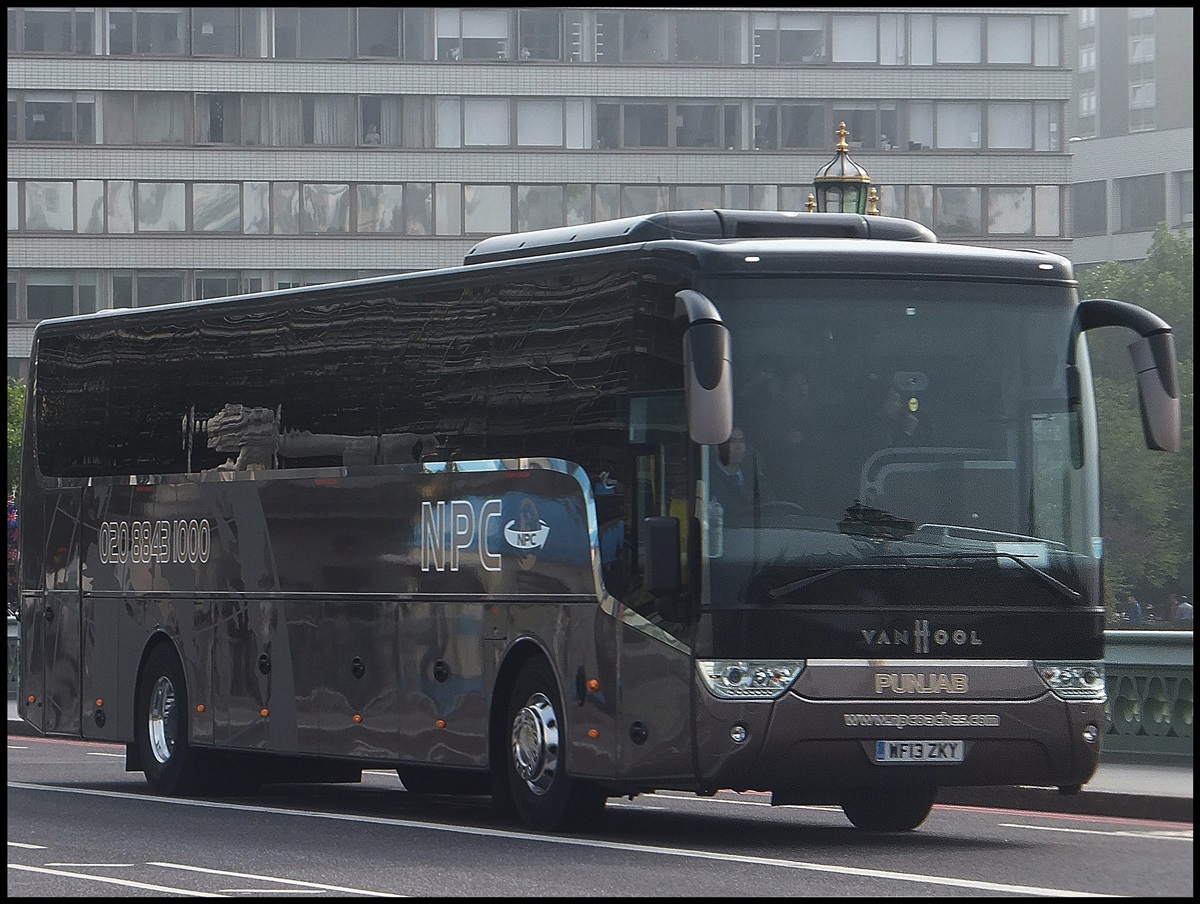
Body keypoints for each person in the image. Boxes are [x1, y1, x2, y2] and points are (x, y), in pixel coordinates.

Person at [709, 426, 759, 524]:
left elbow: (773, 508)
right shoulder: (708, 479)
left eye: (742, 441)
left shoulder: (755, 478)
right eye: (732, 441)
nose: (739, 446)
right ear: (716, 447)